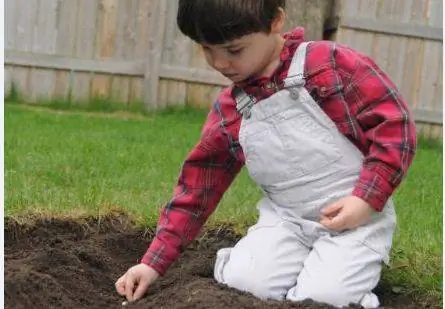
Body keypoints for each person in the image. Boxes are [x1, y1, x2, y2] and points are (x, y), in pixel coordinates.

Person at [115, 1, 417, 308]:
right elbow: (197, 190)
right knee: (244, 283)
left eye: (234, 50)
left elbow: (395, 127)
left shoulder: (329, 67)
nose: (220, 63)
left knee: (324, 297)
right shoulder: (231, 112)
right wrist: (153, 263)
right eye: (207, 49)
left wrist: (366, 200)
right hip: (287, 221)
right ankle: (266, 265)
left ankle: (353, 290)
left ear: (275, 21)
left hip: (355, 220)